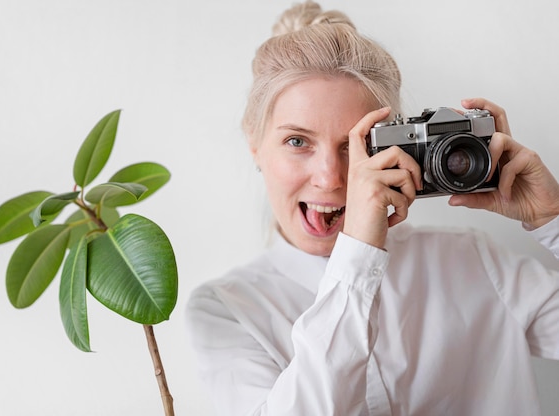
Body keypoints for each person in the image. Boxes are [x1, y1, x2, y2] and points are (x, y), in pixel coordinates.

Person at [185, 1, 559, 415]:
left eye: (355, 145)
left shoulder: (473, 262)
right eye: (297, 142)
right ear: (255, 145)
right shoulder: (226, 310)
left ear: (393, 149)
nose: (330, 178)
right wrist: (358, 255)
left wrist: (552, 219)